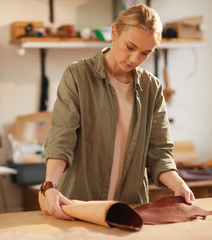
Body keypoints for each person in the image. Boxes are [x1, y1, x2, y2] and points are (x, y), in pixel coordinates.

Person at [40, 4, 195, 220]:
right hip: (77, 206)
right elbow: (61, 139)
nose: (134, 59)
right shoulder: (78, 76)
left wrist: (179, 185)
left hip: (130, 209)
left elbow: (159, 152)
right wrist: (50, 186)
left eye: (145, 53)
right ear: (114, 33)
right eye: (130, 47)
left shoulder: (152, 88)